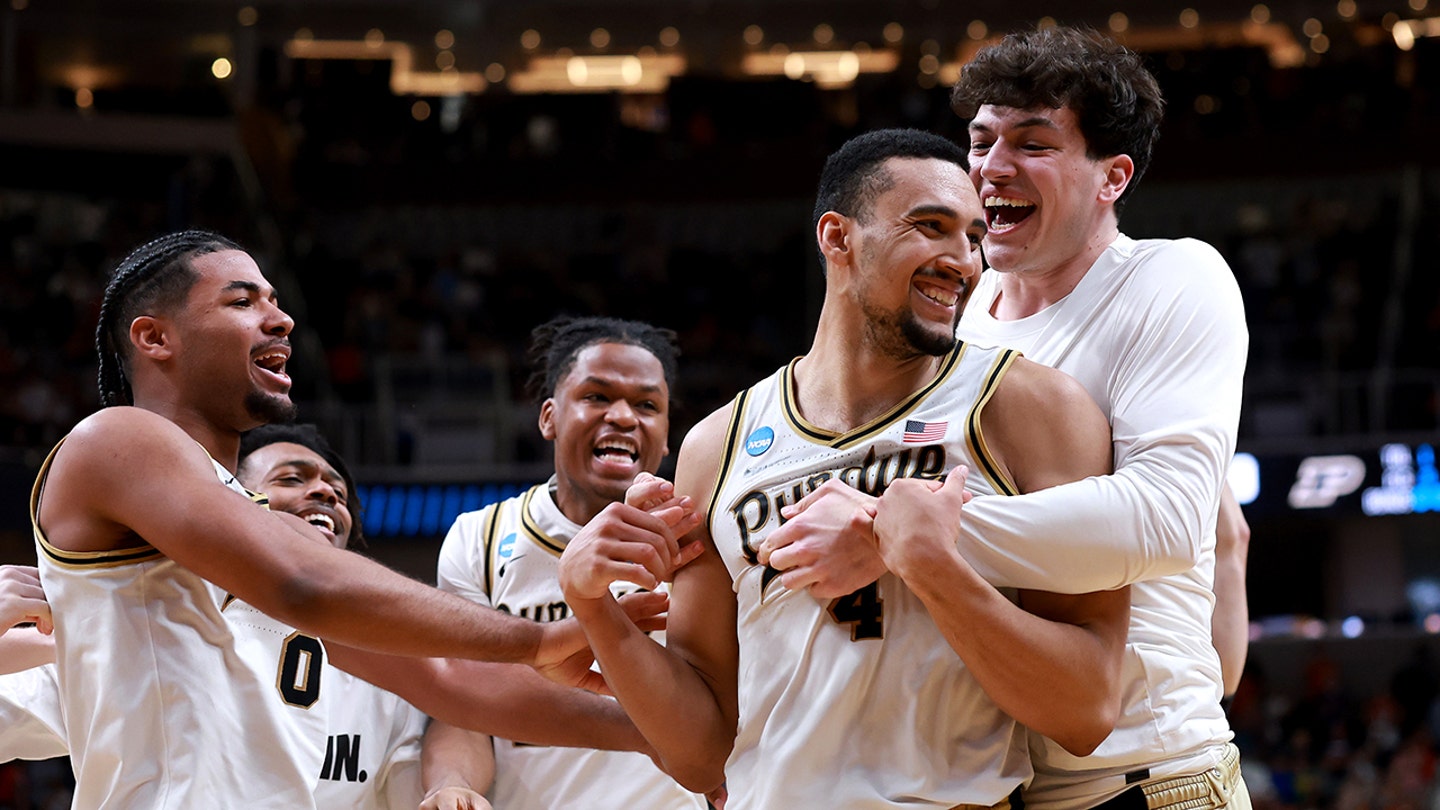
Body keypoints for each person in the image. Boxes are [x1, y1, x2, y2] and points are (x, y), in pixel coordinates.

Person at [556, 129, 1132, 808]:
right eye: (931, 227)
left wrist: (928, 564)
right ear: (837, 237)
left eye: (974, 237)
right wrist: (592, 606)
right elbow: (701, 753)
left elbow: (1087, 711)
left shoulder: (1030, 407)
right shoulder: (717, 445)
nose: (963, 261)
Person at [764, 27, 1251, 810]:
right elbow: (1228, 533)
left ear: (1112, 177)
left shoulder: (1173, 277)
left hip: (1143, 775)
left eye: (1033, 143)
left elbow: (1171, 519)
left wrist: (892, 536)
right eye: (982, 140)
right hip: (998, 779)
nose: (992, 166)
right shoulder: (958, 308)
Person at [29, 230, 639, 808]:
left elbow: (449, 677)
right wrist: (538, 640)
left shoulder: (277, 531)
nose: (281, 319)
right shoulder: (116, 439)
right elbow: (306, 583)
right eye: (241, 301)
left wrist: (659, 732)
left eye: (275, 300)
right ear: (155, 337)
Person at [423, 315, 707, 810]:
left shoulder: (702, 538)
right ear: (549, 418)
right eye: (597, 396)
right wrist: (453, 783)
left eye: (647, 405)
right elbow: (462, 706)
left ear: (665, 437)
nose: (623, 416)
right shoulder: (479, 537)